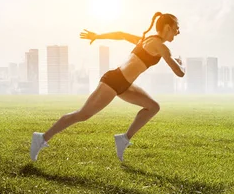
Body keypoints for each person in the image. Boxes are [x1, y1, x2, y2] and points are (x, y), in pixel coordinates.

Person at [30, 12, 185, 162]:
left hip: (124, 84)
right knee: (82, 114)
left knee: (153, 107)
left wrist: (97, 36)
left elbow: (121, 34)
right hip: (114, 81)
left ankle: (124, 139)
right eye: (176, 27)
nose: (178, 32)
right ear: (167, 27)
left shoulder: (147, 39)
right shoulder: (161, 47)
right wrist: (182, 64)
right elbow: (179, 73)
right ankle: (42, 137)